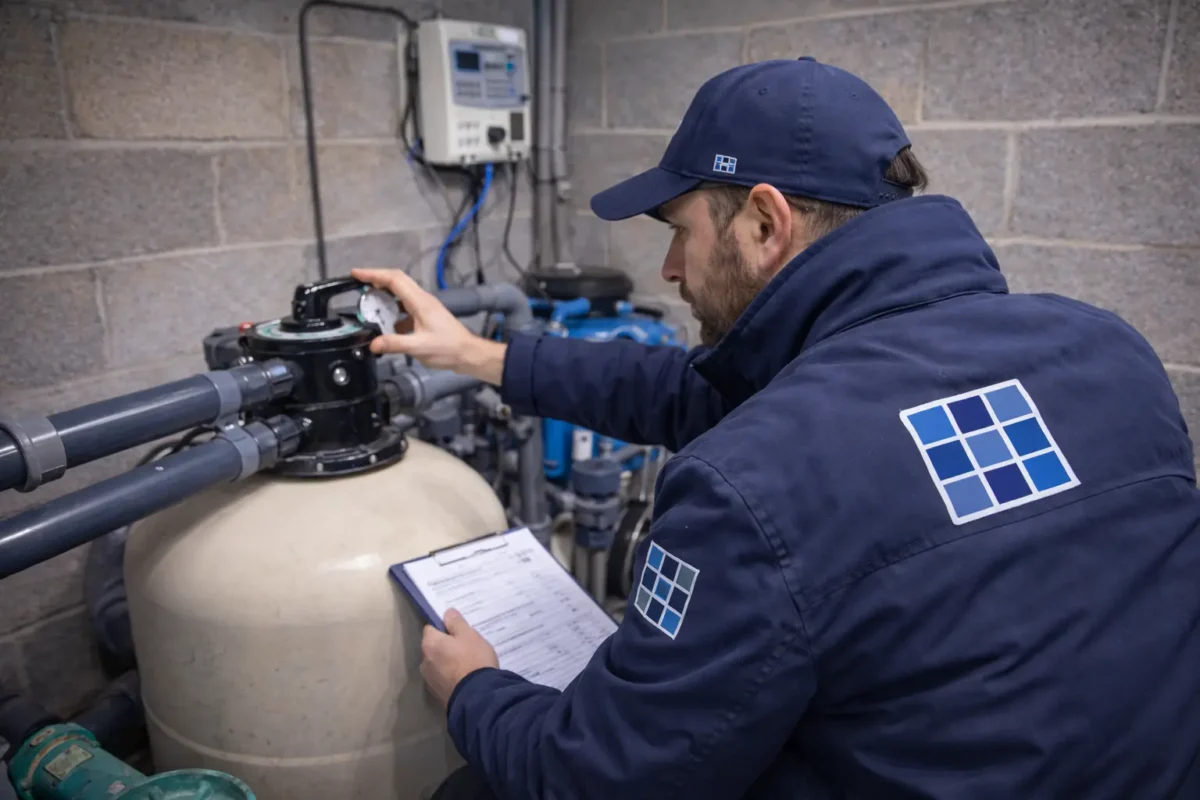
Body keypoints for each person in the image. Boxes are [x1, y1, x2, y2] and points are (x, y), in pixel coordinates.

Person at [353, 57, 1200, 799]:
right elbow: (710, 397)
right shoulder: (1109, 351)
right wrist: (480, 355)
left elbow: (594, 777)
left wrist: (478, 693)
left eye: (681, 231)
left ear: (765, 223)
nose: (671, 269)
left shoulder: (758, 483)